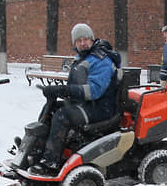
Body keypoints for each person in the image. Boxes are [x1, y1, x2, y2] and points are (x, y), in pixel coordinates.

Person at [30, 23, 122, 175]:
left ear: (92, 40)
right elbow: (77, 85)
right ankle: (36, 148)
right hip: (86, 105)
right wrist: (58, 93)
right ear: (75, 43)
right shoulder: (83, 58)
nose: (83, 43)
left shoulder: (101, 60)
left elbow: (93, 91)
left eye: (86, 39)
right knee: (52, 108)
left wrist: (64, 90)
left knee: (62, 116)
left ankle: (50, 162)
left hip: (100, 108)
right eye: (79, 40)